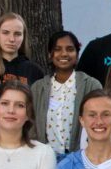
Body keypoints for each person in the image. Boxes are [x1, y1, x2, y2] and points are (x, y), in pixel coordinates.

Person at [31, 30, 101, 159]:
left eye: (70, 49)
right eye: (57, 49)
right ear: (50, 55)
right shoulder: (37, 88)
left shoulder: (91, 86)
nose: (64, 53)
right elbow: (31, 125)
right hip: (46, 159)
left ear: (77, 55)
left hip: (81, 159)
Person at [0, 12, 45, 99]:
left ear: (23, 37)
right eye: (6, 33)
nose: (12, 39)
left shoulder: (35, 71)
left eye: (17, 34)